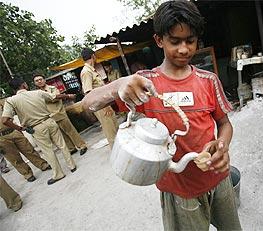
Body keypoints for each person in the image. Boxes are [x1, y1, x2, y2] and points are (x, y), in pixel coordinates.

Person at [81, 1, 241, 230]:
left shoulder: (208, 80)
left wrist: (222, 145)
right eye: (175, 42)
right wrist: (119, 84)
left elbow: (224, 123)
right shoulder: (142, 84)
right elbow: (88, 104)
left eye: (190, 41)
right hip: (179, 192)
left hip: (219, 180)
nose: (184, 49)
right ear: (159, 40)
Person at [2, 78, 77, 185]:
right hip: (50, 121)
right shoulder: (38, 92)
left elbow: (5, 120)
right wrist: (69, 96)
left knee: (48, 150)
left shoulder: (11, 101)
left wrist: (19, 128)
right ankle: (72, 166)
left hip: (36, 128)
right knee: (62, 145)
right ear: (24, 85)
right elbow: (55, 96)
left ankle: (59, 174)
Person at [33, 74, 88, 156]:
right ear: (35, 83)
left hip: (59, 113)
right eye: (37, 81)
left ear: (44, 80)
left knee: (70, 131)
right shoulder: (36, 93)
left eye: (40, 79)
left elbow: (55, 97)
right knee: (61, 134)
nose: (39, 81)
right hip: (49, 117)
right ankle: (71, 148)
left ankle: (82, 146)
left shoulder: (52, 88)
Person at [0, 101, 51, 182]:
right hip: (2, 138)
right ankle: (27, 174)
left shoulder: (2, 104)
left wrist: (18, 128)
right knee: (14, 158)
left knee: (29, 149)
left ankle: (43, 164)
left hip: (13, 130)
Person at [80, 48, 118, 148]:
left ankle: (121, 151)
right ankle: (117, 155)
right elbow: (88, 93)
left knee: (115, 128)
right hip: (100, 106)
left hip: (105, 104)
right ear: (93, 56)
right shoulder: (86, 72)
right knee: (111, 132)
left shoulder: (91, 70)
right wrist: (103, 106)